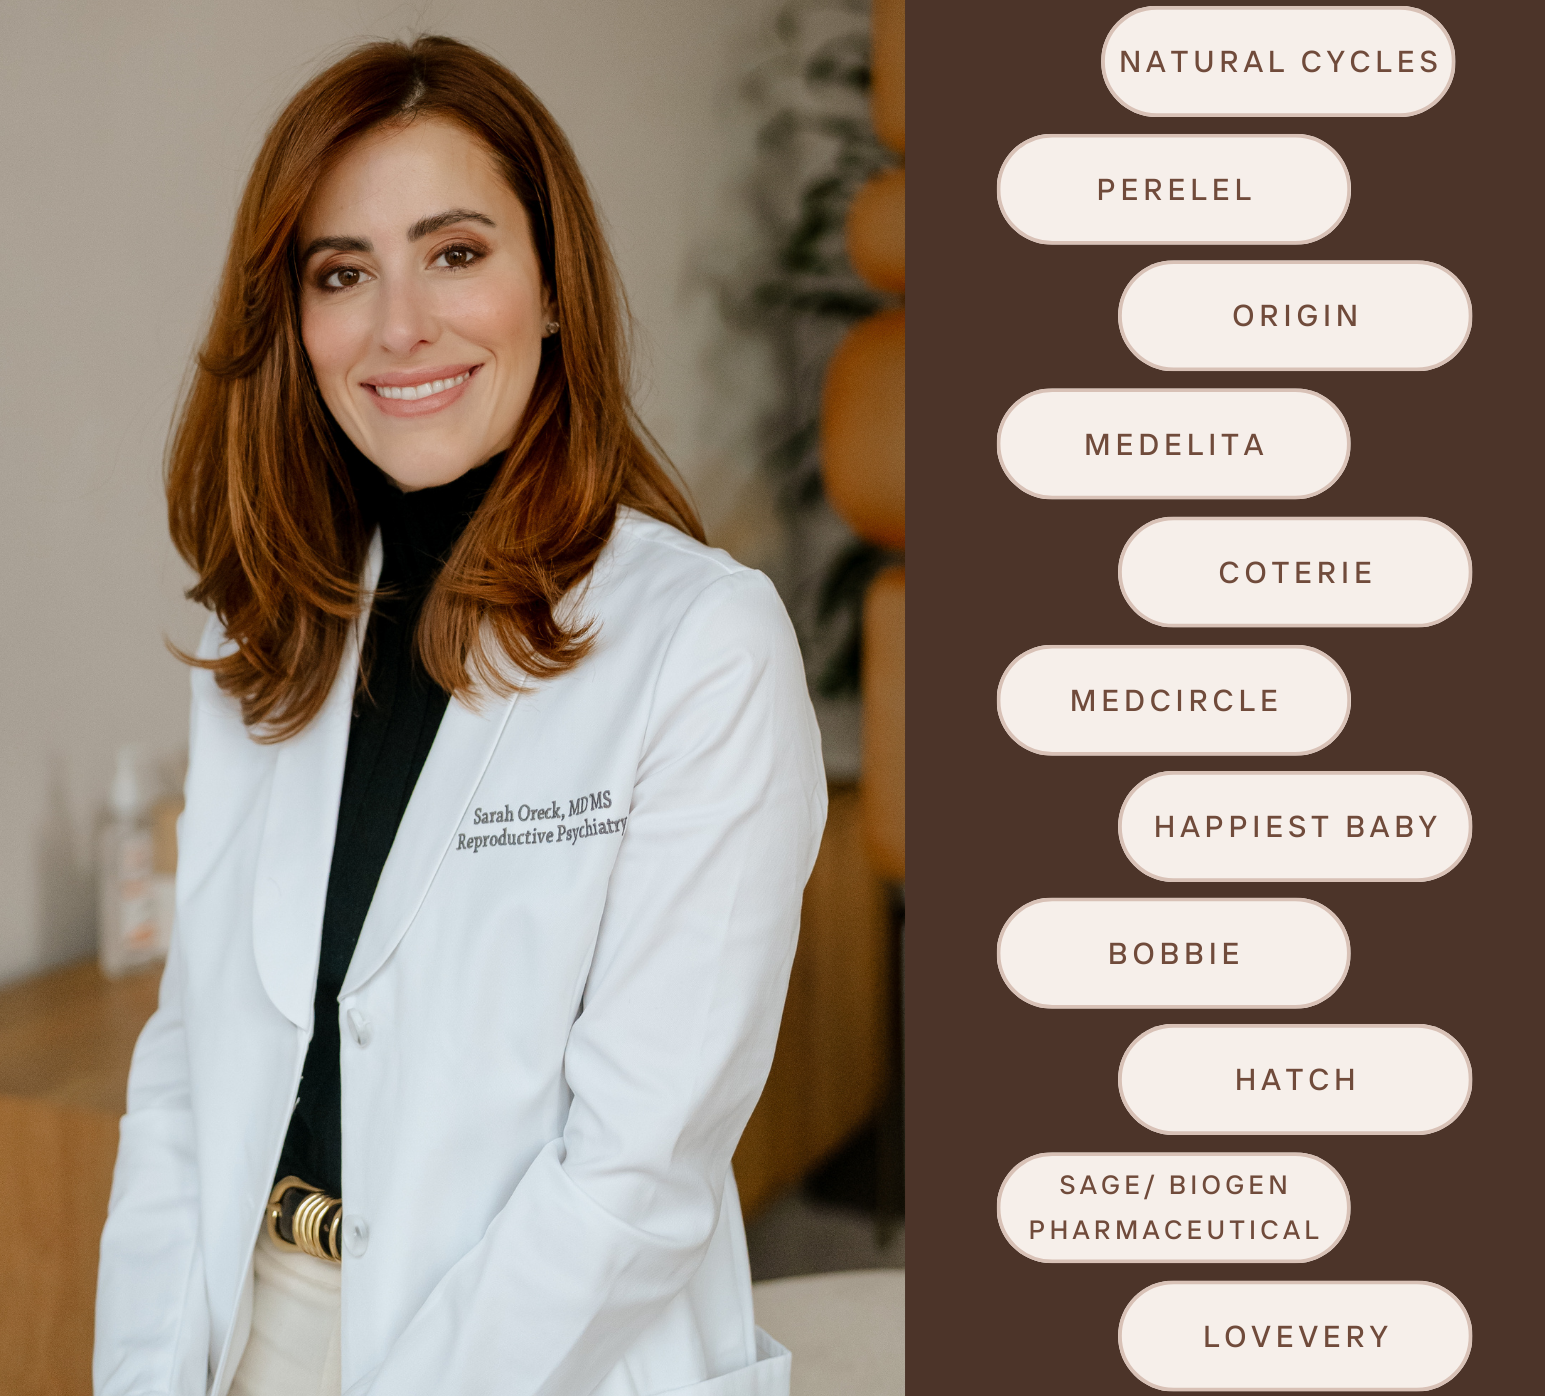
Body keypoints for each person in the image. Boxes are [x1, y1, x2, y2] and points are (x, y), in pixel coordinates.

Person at [93, 34, 825, 1396]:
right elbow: (190, 1072)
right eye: (343, 273)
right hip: (245, 1327)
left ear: (552, 289)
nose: (399, 327)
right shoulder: (263, 627)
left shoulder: (702, 647)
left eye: (457, 253)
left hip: (540, 1355)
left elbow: (636, 1168)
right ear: (296, 321)